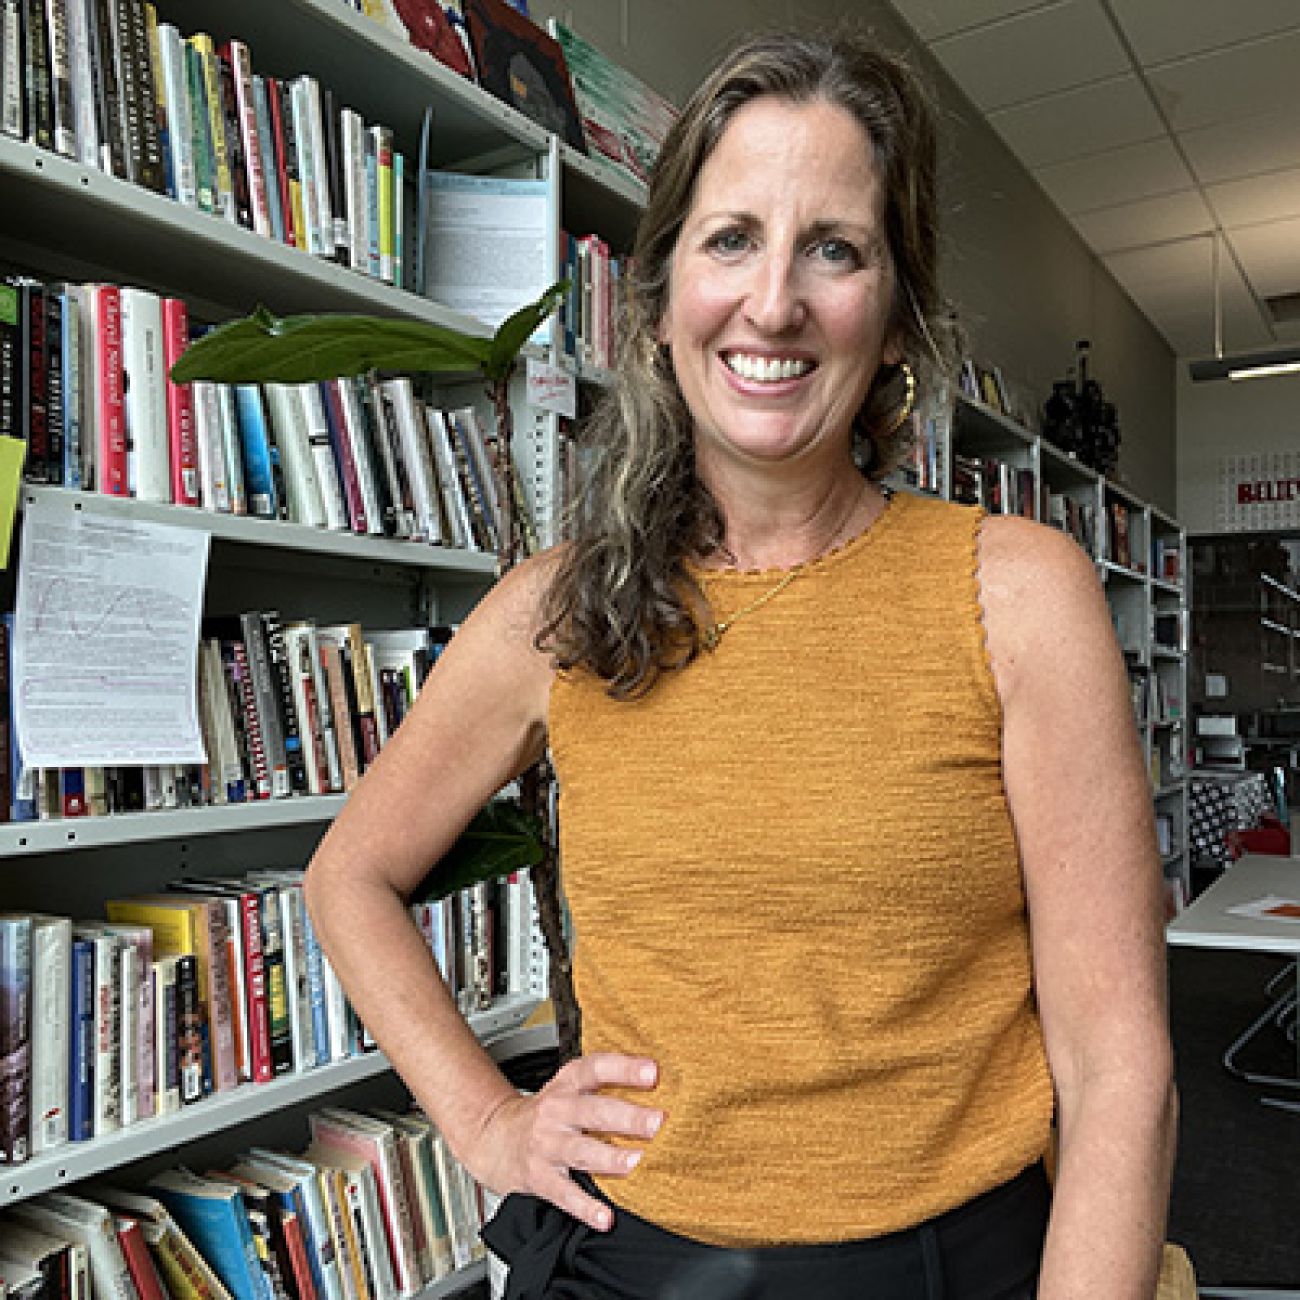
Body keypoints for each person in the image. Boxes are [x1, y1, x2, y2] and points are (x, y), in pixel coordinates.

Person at [302, 29, 1177, 1300]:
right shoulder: (556, 610)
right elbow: (349, 877)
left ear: (893, 319)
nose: (774, 303)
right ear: (658, 306)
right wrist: (488, 1120)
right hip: (630, 1262)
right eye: (730, 240)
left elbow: (1117, 1065)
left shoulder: (1018, 590)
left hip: (954, 1263)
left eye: (834, 247)